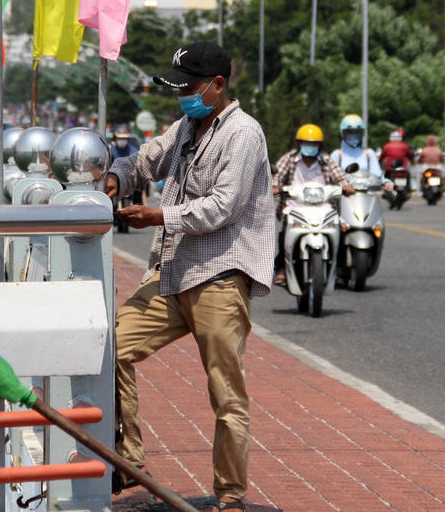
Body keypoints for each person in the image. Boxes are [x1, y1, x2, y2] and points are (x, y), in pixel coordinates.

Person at [104, 41, 274, 512]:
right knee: (110, 347)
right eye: (178, 89)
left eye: (189, 88)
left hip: (219, 276)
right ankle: (129, 460)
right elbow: (145, 158)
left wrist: (158, 216)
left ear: (217, 85)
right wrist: (116, 176)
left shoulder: (243, 134)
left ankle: (230, 495)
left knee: (226, 393)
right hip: (173, 272)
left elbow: (223, 206)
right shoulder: (186, 127)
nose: (182, 97)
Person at [272, 124, 355, 286]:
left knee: (339, 229)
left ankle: (337, 269)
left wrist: (346, 186)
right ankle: (283, 267)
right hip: (294, 206)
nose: (310, 146)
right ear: (299, 143)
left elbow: (339, 176)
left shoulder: (326, 160)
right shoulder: (289, 159)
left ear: (320, 145)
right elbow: (277, 177)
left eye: (314, 143)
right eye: (306, 143)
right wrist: (275, 187)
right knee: (285, 233)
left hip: (323, 206)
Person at [109, 127, 142, 230]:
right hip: (114, 180)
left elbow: (139, 163)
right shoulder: (111, 151)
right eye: (120, 138)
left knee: (139, 190)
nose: (122, 140)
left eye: (124, 138)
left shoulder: (133, 150)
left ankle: (138, 207)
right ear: (116, 139)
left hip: (131, 179)